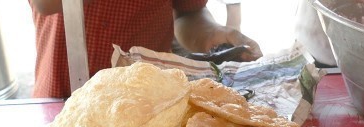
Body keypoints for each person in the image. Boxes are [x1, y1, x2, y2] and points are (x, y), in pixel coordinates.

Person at [29, 0, 263, 98]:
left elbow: (188, 11)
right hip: (61, 96)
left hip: (144, 102)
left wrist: (210, 35)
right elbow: (46, 3)